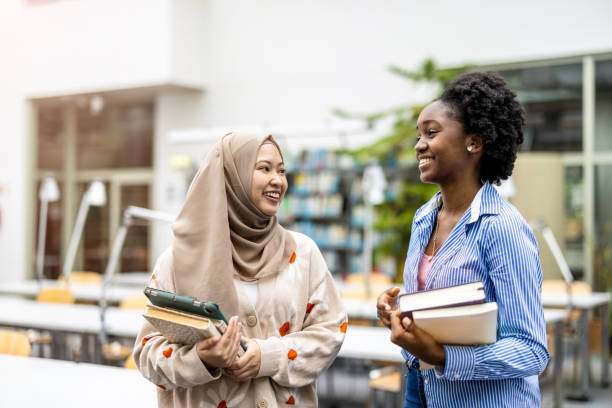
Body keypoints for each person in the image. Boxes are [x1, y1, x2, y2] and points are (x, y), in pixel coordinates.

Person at [134, 132, 347, 407]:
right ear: (231, 177)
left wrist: (267, 356)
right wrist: (200, 358)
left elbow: (330, 332)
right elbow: (147, 353)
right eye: (264, 168)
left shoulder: (302, 253)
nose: (277, 180)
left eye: (281, 171)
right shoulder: (177, 261)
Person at [377, 72, 549, 407]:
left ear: (474, 142)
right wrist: (399, 312)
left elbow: (531, 350)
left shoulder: (502, 228)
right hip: (422, 388)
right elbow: (438, 310)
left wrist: (444, 356)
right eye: (418, 135)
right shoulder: (424, 217)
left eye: (432, 132)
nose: (419, 145)